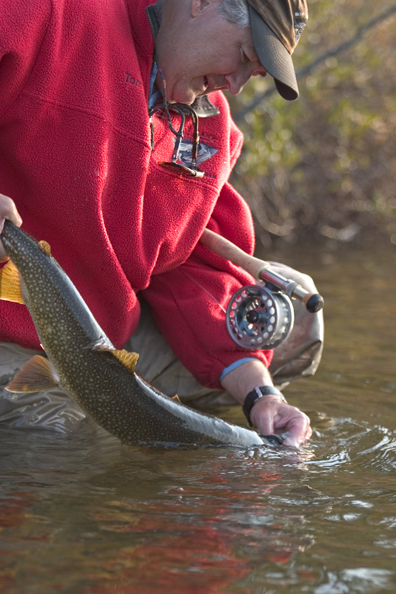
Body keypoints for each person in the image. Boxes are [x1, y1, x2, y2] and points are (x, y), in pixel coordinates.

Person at [0, 0, 320, 445]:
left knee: (298, 318)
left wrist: (261, 395)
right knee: (78, 453)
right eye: (245, 56)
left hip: (97, 341)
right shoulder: (54, 13)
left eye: (256, 75)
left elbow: (191, 265)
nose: (237, 85)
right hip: (13, 316)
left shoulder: (214, 128)